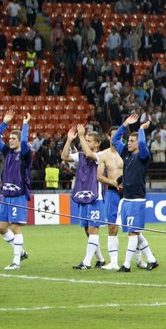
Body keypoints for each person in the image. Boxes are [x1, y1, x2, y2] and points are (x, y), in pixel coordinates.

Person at [113, 114, 160, 272]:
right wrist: (125, 123)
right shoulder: (126, 153)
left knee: (133, 233)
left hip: (137, 199)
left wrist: (140, 130)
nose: (129, 143)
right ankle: (152, 260)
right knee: (135, 232)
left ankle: (126, 265)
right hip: (126, 199)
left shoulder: (143, 156)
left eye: (132, 141)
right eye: (129, 141)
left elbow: (142, 143)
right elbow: (115, 140)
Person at [62, 124, 107, 269]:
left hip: (95, 198)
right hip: (83, 197)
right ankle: (100, 259)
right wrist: (69, 140)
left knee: (93, 229)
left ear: (97, 144)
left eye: (89, 140)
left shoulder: (100, 155)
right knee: (88, 230)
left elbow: (89, 154)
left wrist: (81, 136)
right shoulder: (80, 156)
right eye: (85, 140)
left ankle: (86, 262)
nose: (85, 142)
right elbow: (64, 157)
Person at [0, 110, 32, 270]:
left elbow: (24, 142)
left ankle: (16, 262)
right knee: (1, 228)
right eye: (9, 139)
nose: (10, 141)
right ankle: (21, 252)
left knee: (16, 226)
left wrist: (25, 125)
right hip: (6, 196)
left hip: (18, 196)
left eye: (13, 138)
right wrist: (5, 122)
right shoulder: (7, 152)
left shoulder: (24, 154)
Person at [97, 127, 127, 270]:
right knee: (112, 227)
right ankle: (114, 262)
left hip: (127, 193)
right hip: (111, 193)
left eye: (119, 135)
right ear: (108, 137)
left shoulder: (126, 152)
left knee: (133, 227)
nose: (116, 138)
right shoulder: (104, 155)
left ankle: (141, 259)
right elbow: (99, 176)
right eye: (114, 136)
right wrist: (113, 182)